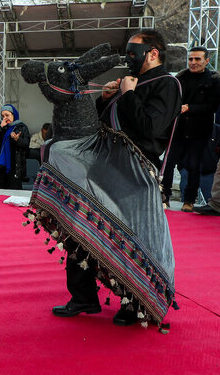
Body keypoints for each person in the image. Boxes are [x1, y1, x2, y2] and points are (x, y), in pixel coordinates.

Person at [52, 29, 182, 326]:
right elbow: (101, 125)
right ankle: (83, 296)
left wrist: (129, 94)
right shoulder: (129, 84)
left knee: (130, 240)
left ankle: (133, 303)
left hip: (135, 172)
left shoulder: (167, 84)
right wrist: (106, 99)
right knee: (80, 227)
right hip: (102, 165)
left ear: (153, 53)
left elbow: (150, 129)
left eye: (133, 52)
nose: (128, 58)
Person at [161, 46, 220, 211]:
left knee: (194, 165)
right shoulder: (180, 77)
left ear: (206, 61)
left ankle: (189, 201)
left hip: (200, 130)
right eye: (190, 59)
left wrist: (190, 108)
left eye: (197, 59)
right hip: (178, 128)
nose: (193, 62)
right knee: (169, 162)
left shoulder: (214, 80)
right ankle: (164, 196)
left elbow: (213, 106)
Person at [0, 104, 30, 189]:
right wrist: (0, 127)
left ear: (14, 115)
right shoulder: (2, 126)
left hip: (14, 165)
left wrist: (17, 139)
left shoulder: (21, 127)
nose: (5, 118)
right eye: (3, 116)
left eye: (7, 115)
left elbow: (26, 144)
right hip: (1, 165)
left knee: (14, 191)